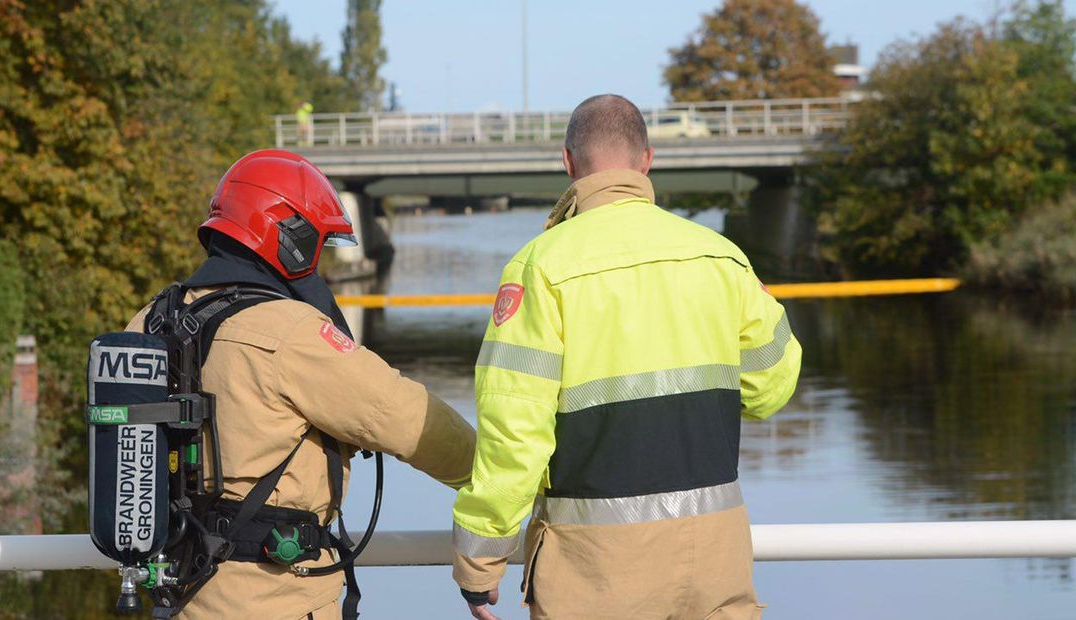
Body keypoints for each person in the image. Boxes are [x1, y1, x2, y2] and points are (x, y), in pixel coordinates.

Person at [450, 94, 801, 620]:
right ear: (646, 160)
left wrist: (481, 563)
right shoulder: (720, 256)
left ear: (568, 164)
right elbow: (772, 386)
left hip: (596, 574)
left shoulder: (540, 267)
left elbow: (515, 433)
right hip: (716, 566)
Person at [126, 149, 476, 619]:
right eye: (317, 245)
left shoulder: (150, 320)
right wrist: (506, 478)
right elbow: (409, 418)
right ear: (291, 238)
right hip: (275, 600)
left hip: (174, 592)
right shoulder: (290, 332)